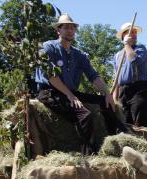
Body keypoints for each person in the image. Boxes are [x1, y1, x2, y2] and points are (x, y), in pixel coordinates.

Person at [35, 14, 128, 155]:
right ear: (58, 31)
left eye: (72, 28)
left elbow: (93, 76)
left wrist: (107, 94)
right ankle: (89, 155)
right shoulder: (48, 47)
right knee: (84, 115)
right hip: (50, 92)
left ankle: (118, 139)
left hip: (70, 93)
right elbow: (50, 76)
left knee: (105, 102)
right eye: (66, 27)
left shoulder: (79, 55)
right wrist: (70, 96)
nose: (70, 30)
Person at [113, 22, 147, 135]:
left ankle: (143, 150)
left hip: (139, 89)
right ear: (123, 35)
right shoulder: (117, 55)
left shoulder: (141, 49)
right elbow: (116, 78)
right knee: (124, 124)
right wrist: (115, 98)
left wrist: (127, 45)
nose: (134, 34)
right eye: (130, 32)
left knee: (140, 123)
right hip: (123, 91)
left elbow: (133, 60)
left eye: (135, 32)